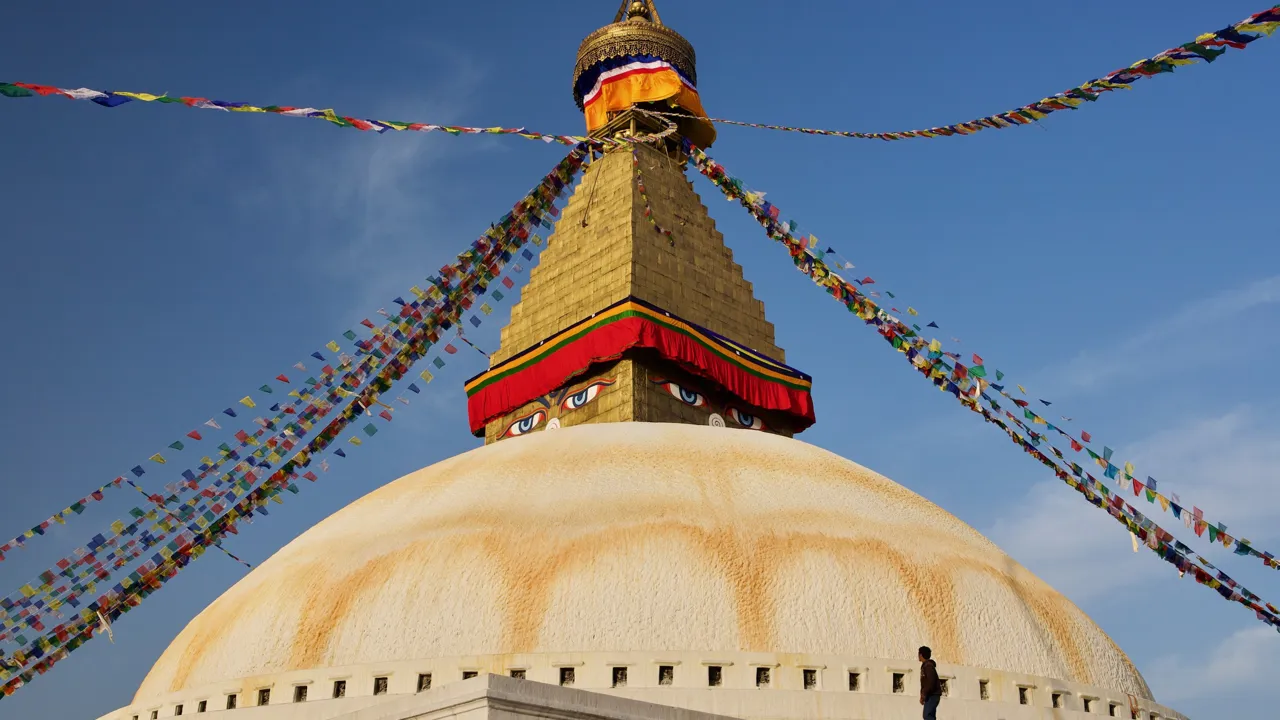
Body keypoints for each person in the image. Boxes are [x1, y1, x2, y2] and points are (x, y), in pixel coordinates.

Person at [919, 645, 941, 720]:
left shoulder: (928, 666)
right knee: (929, 715)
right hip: (930, 694)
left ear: (921, 655)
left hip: (932, 694)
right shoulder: (926, 666)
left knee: (927, 715)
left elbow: (931, 682)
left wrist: (924, 694)